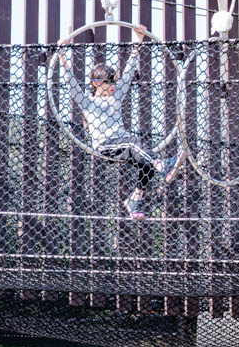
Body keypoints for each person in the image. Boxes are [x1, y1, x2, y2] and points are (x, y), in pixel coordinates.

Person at [61, 25, 185, 219]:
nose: (112, 86)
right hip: (105, 145)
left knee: (144, 163)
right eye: (108, 82)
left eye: (113, 81)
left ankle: (135, 198)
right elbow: (71, 84)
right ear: (95, 83)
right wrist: (62, 55)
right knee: (135, 143)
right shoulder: (88, 102)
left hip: (122, 142)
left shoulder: (116, 96)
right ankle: (162, 165)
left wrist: (138, 42)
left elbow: (128, 74)